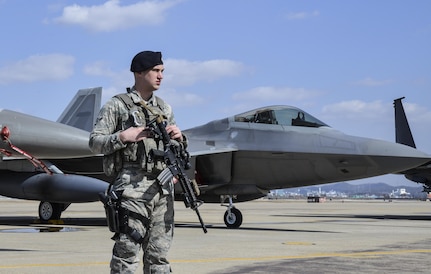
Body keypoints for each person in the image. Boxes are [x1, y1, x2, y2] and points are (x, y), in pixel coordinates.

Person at [89, 51, 186, 273]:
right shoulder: (117, 105)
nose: (161, 76)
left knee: (159, 256)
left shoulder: (164, 108)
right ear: (139, 73)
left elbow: (176, 150)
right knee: (127, 253)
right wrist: (123, 136)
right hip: (132, 189)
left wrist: (179, 139)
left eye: (162, 71)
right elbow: (94, 142)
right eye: (156, 71)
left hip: (161, 190)